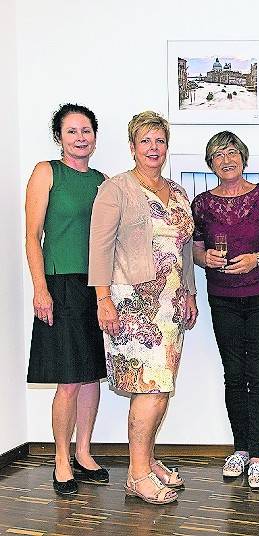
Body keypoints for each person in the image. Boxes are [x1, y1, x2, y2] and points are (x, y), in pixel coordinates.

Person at [89, 111, 198, 505]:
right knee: (148, 388)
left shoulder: (179, 193)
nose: (154, 148)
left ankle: (147, 461)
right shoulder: (115, 189)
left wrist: (189, 291)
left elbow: (184, 250)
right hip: (131, 303)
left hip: (170, 306)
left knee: (160, 388)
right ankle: (136, 475)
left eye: (160, 141)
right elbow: (99, 249)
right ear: (133, 146)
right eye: (145, 141)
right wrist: (102, 299)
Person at [191, 131, 259, 489]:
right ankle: (239, 448)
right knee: (233, 374)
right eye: (218, 154)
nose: (226, 159)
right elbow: (195, 250)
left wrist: (256, 260)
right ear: (210, 164)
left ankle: (258, 456)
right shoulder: (202, 203)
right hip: (222, 297)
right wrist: (206, 258)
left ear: (244, 158)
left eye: (232, 151)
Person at [25, 104, 109, 496]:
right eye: (72, 131)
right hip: (60, 283)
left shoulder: (102, 181)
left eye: (86, 131)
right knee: (69, 379)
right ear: (59, 137)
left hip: (96, 287)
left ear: (95, 136)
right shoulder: (47, 172)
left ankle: (84, 453)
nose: (80, 137)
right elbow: (32, 236)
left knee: (91, 374)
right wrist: (40, 290)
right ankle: (61, 458)